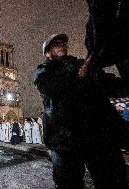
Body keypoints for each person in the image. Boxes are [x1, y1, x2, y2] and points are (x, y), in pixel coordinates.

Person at [34, 33, 128, 189]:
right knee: (69, 183)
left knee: (112, 179)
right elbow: (52, 87)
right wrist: (79, 76)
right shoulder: (43, 71)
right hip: (65, 139)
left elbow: (107, 84)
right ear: (47, 53)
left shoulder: (80, 64)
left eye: (64, 43)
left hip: (97, 134)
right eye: (56, 44)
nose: (62, 45)